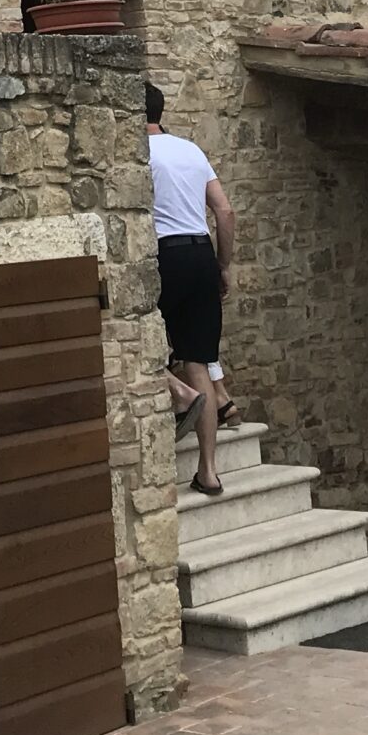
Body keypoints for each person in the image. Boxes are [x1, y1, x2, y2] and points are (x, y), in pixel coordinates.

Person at [147, 81, 237, 496]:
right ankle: (209, 472)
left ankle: (178, 391)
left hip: (164, 255)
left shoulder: (137, 153)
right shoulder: (191, 150)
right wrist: (223, 265)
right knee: (199, 360)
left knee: (133, 336)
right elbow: (224, 210)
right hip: (201, 253)